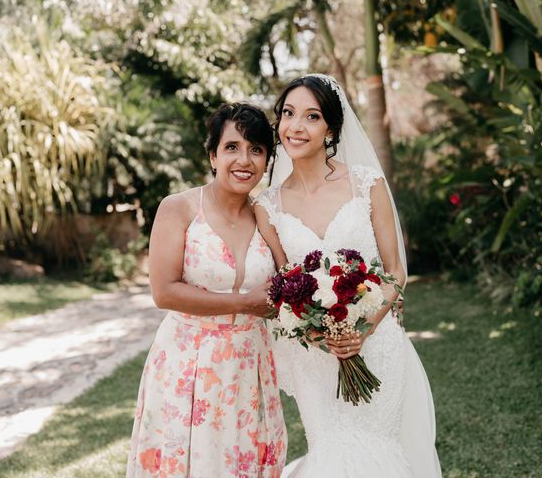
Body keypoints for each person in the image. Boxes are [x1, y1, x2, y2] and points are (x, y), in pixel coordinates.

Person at [255, 74, 441, 478]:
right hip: (315, 358)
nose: (296, 127)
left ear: (331, 129)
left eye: (311, 116)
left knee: (378, 450)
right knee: (332, 452)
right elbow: (283, 288)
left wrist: (364, 328)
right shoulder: (267, 205)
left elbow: (395, 272)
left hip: (377, 345)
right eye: (288, 114)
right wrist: (311, 332)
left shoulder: (365, 184)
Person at [126, 103, 287, 478]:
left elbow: (288, 278)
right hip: (187, 364)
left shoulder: (266, 214)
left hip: (250, 364)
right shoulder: (179, 208)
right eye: (232, 147)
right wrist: (245, 302)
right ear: (213, 155)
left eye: (256, 149)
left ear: (267, 160)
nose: (244, 159)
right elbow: (164, 292)